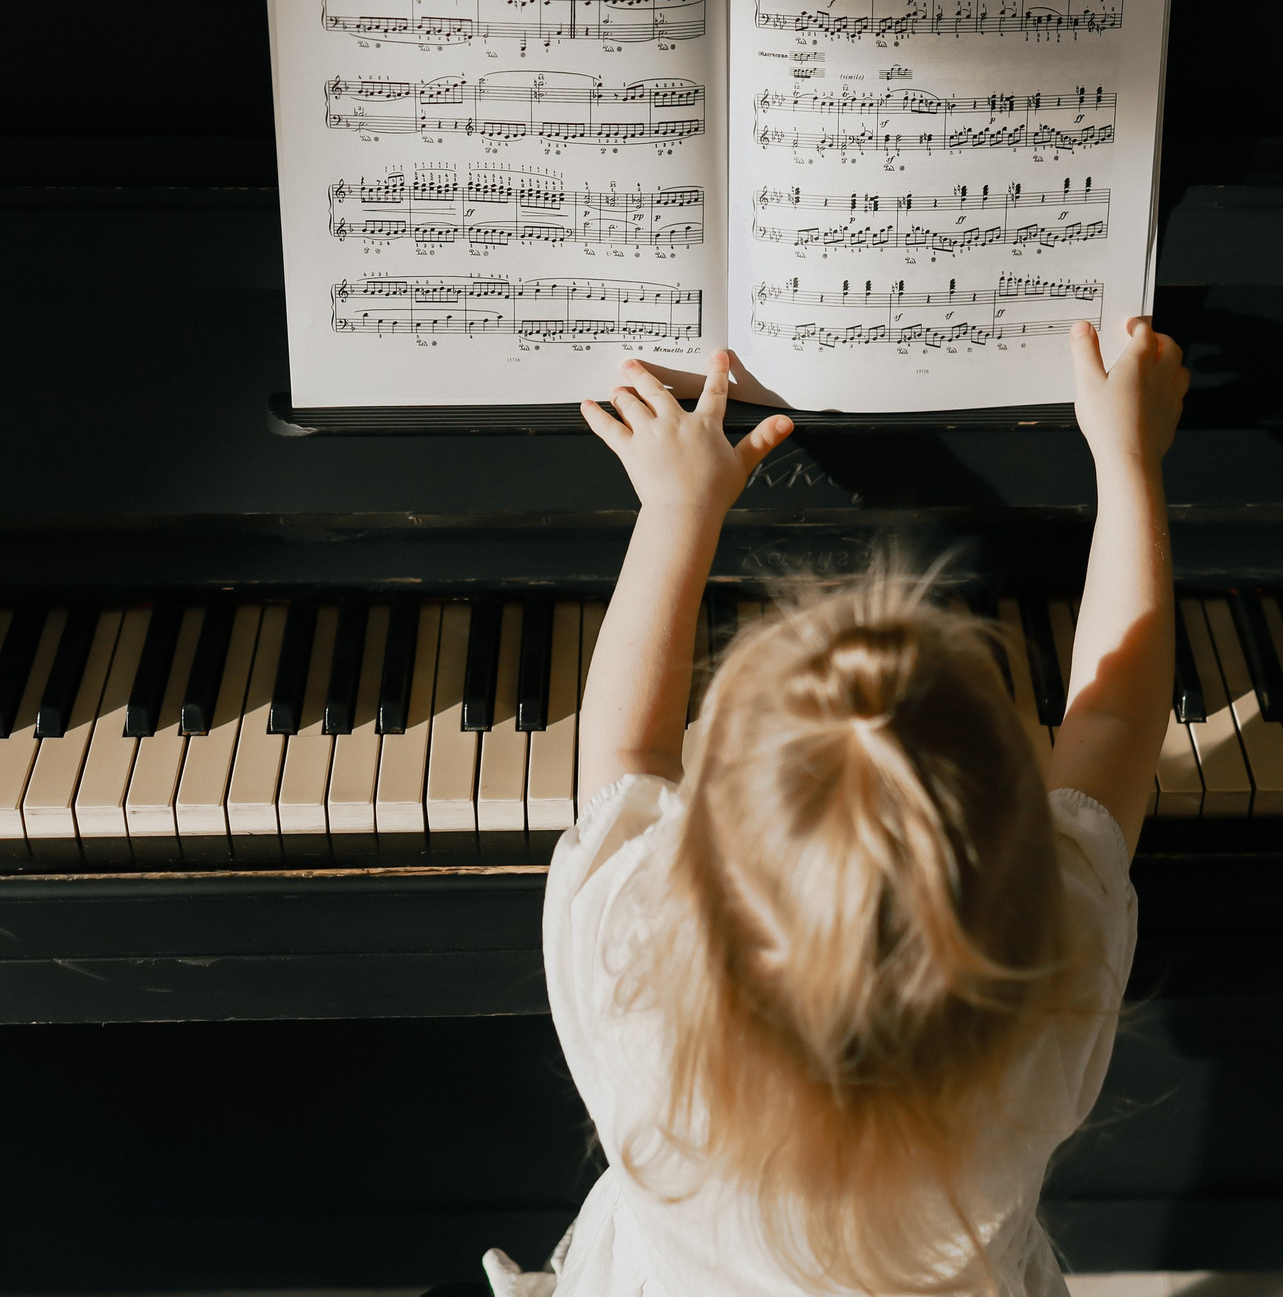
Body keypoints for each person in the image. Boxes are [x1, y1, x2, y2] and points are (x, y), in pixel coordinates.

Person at [483, 319, 1188, 1297]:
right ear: (1015, 855)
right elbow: (1114, 719)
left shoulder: (630, 972)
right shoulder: (1043, 992)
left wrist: (678, 509)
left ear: (704, 865)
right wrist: (1128, 457)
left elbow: (625, 752)